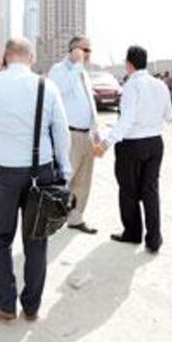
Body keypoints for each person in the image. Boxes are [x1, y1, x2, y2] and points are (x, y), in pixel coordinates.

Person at [0, 38, 71, 322]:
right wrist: (65, 170)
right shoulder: (46, 86)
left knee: (0, 238)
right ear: (32, 57)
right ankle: (32, 306)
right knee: (36, 239)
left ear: (5, 57)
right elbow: (61, 133)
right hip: (42, 172)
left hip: (4, 173)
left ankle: (6, 303)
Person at [92, 45, 172, 253]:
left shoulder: (131, 86)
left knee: (128, 190)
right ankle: (154, 239)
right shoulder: (160, 85)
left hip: (132, 145)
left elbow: (126, 120)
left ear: (129, 64)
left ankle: (133, 233)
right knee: (151, 191)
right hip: (155, 142)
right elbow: (169, 115)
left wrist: (106, 143)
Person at [48, 36, 99, 235]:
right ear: (74, 50)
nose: (88, 55)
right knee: (64, 179)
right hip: (69, 134)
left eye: (89, 51)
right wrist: (76, 65)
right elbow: (60, 91)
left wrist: (95, 130)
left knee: (84, 180)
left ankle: (76, 218)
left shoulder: (83, 73)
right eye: (85, 50)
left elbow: (89, 102)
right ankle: (52, 218)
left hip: (86, 134)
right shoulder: (58, 70)